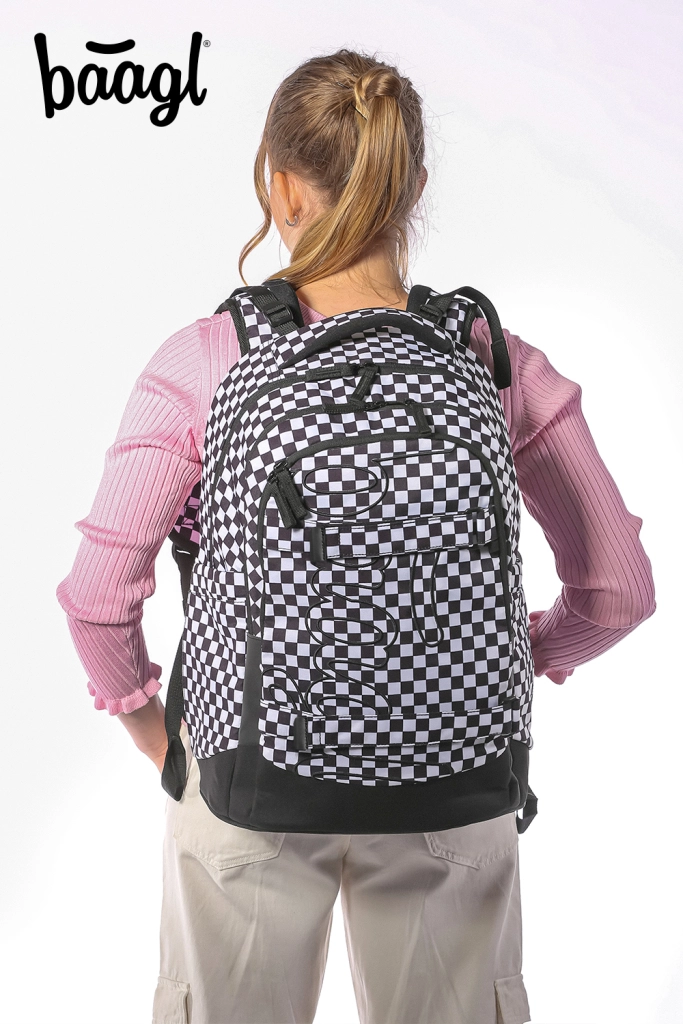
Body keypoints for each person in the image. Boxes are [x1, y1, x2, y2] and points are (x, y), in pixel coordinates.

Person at [57, 48, 655, 1024]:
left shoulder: (204, 362)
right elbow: (618, 590)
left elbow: (95, 599)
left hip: (246, 774)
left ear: (281, 187)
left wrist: (158, 735)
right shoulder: (493, 362)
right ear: (411, 187)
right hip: (452, 773)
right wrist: (506, 658)